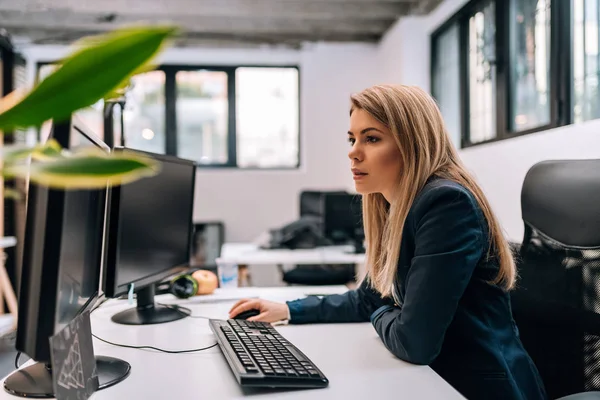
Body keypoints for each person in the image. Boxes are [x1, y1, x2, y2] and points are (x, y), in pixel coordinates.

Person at [229, 85, 547, 400]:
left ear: (412, 143)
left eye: (372, 138)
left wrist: (381, 313)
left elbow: (414, 342)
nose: (353, 151)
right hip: (431, 380)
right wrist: (287, 308)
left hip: (474, 386)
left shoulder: (446, 204)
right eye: (352, 139)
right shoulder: (394, 207)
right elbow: (370, 298)